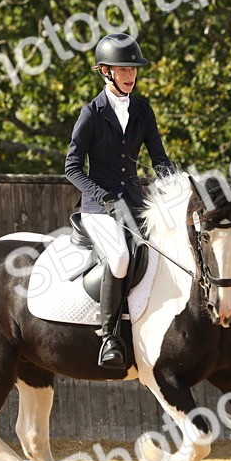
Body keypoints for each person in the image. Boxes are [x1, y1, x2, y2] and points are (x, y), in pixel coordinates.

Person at [64, 32, 175, 369]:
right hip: (99, 206)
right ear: (105, 72)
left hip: (135, 204)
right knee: (120, 257)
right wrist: (101, 196)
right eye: (123, 70)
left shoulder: (143, 110)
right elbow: (71, 167)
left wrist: (174, 179)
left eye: (133, 70)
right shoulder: (92, 113)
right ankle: (110, 336)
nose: (130, 76)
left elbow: (159, 158)